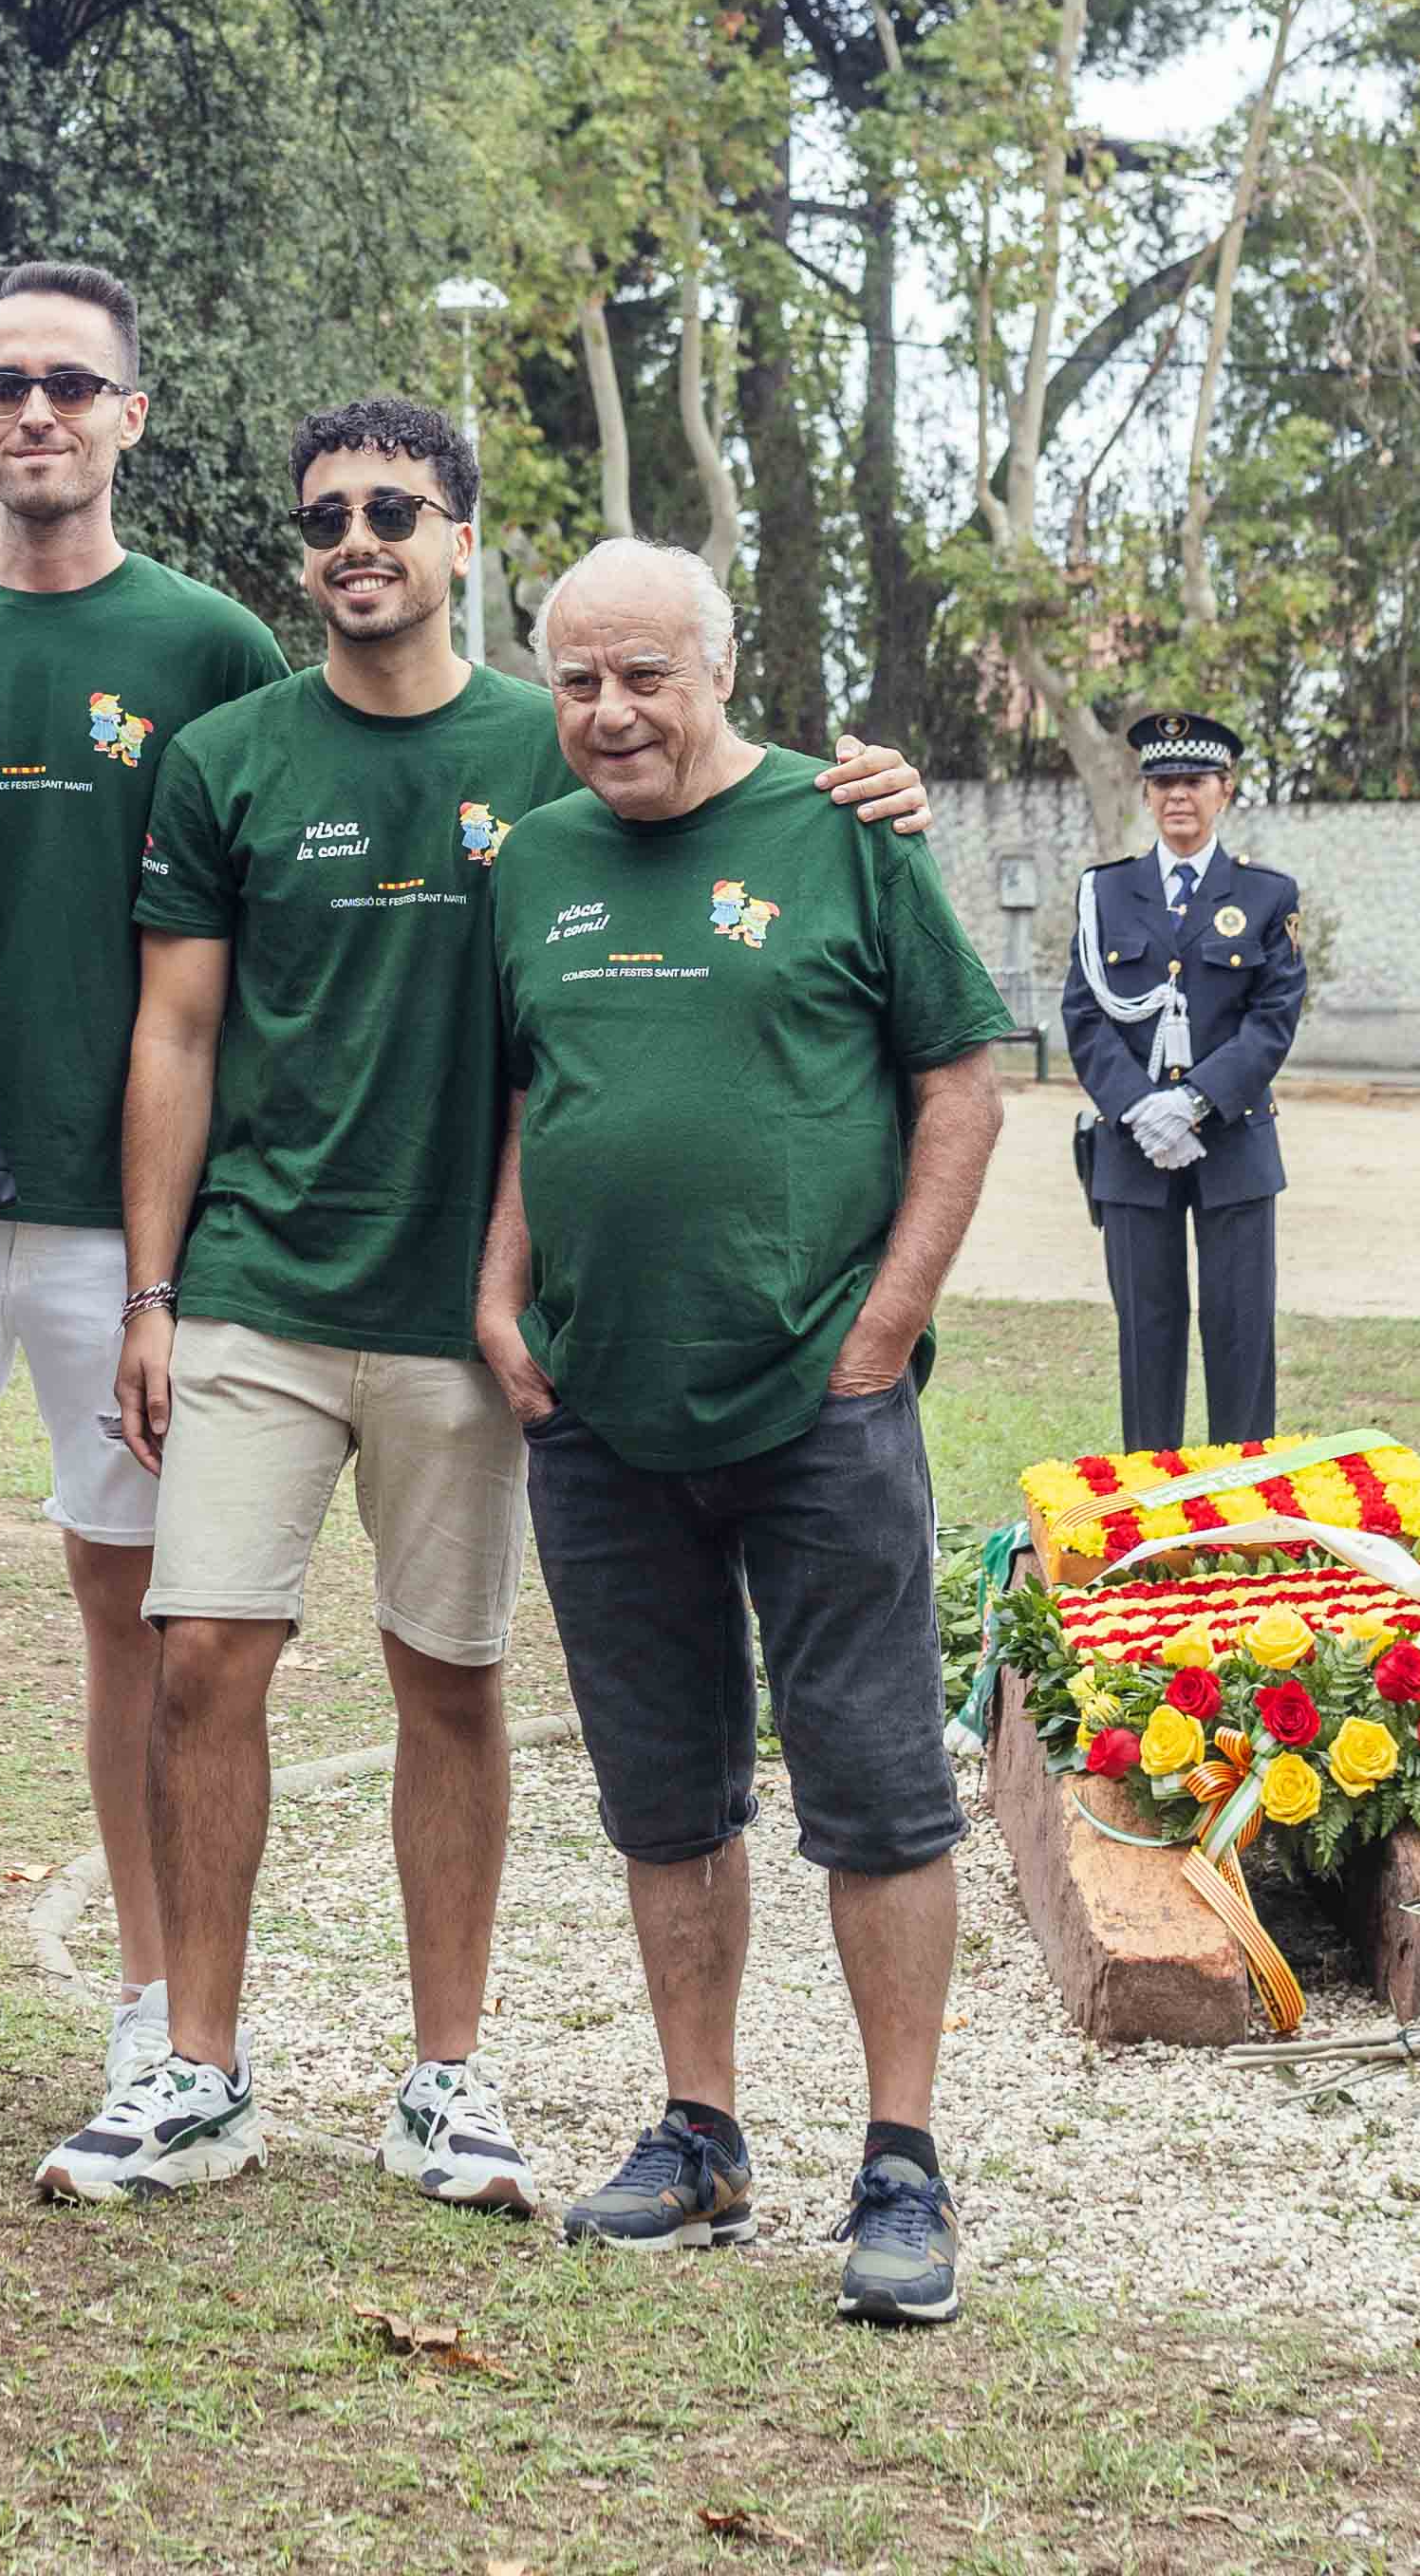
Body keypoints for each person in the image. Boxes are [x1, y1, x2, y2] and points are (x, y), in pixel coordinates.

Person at [51, 406, 933, 2212]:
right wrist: (150, 1285)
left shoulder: (567, 742)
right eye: (323, 518)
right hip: (254, 1286)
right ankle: (199, 2071)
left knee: (446, 1678)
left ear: (465, 538)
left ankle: (446, 2078)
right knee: (202, 1654)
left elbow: (733, 801)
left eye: (394, 510)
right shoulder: (225, 758)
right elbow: (180, 1031)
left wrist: (877, 791)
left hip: (472, 1315)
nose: (355, 538)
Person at [472, 540, 1007, 2325]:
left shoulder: (848, 828)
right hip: (602, 1411)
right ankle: (700, 2136)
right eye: (578, 682)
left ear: (720, 669)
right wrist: (501, 1297)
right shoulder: (532, 860)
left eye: (646, 676)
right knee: (660, 1793)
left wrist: (886, 1326)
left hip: (816, 1406)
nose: (611, 713)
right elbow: (542, 1089)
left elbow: (961, 1077)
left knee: (874, 1786)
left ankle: (901, 2163)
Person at [0, 259, 283, 2111]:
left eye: (72, 385)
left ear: (130, 414)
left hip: (124, 1220)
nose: (37, 413)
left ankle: (154, 2006)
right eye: (4, 383)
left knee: (136, 1608)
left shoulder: (213, 649)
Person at [1059, 709, 1308, 1450]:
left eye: (1194, 781)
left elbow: (1274, 1016)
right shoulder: (1104, 894)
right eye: (1163, 782)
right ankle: (1154, 1505)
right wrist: (1140, 1108)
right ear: (1145, 795)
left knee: (1240, 1332)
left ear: (1224, 790)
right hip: (1133, 1148)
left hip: (1232, 1142)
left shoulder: (1266, 896)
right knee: (1147, 1332)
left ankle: (1243, 1503)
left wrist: (1196, 1101)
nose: (1178, 796)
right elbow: (1083, 1012)